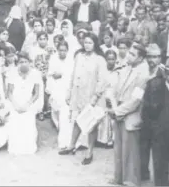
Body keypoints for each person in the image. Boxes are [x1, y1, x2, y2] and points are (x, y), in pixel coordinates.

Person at [60, 33, 107, 165]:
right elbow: (73, 75)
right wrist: (69, 92)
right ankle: (71, 145)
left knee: (91, 124)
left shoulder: (99, 60)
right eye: (85, 42)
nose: (87, 45)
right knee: (77, 120)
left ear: (95, 44)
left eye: (90, 43)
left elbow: (101, 81)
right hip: (78, 94)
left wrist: (95, 97)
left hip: (92, 96)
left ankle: (89, 152)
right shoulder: (79, 56)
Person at [107, 44, 150, 186]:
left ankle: (130, 180)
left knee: (130, 151)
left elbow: (135, 101)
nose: (128, 55)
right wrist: (114, 108)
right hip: (118, 112)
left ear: (140, 58)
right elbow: (114, 90)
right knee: (118, 148)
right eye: (129, 53)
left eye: (133, 54)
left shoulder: (143, 75)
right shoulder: (125, 69)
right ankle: (118, 177)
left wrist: (118, 111)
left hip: (131, 115)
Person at [142, 58, 169, 186]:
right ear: (165, 73)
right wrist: (153, 129)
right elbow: (146, 109)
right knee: (160, 166)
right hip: (159, 133)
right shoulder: (154, 85)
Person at [5, 51, 41, 155]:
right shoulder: (12, 73)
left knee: (28, 117)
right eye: (21, 62)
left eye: (26, 61)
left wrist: (27, 105)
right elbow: (9, 93)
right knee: (15, 117)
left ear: (30, 62)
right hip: (15, 101)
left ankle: (28, 147)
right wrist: (16, 106)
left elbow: (36, 94)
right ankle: (16, 147)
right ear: (17, 63)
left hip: (29, 101)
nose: (23, 64)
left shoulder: (35, 74)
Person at [46, 40, 75, 151]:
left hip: (66, 90)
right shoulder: (53, 59)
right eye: (60, 50)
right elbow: (50, 74)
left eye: (64, 50)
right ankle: (62, 131)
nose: (62, 52)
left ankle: (65, 141)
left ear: (67, 51)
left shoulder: (71, 60)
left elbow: (71, 75)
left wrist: (62, 75)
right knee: (56, 112)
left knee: (65, 114)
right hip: (56, 88)